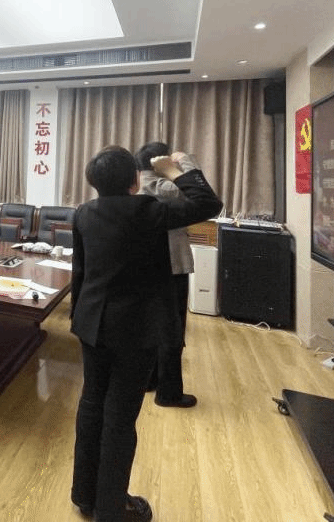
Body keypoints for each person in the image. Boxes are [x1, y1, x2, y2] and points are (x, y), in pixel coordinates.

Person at [70, 146, 221, 522]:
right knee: (120, 416)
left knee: (91, 405)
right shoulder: (148, 210)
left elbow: (80, 272)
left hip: (92, 323)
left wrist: (80, 318)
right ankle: (111, 509)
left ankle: (84, 495)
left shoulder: (84, 213)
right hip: (135, 331)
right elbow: (209, 204)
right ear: (135, 181)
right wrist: (175, 171)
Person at [136, 141, 200, 409]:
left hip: (147, 267)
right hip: (171, 267)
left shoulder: (140, 187)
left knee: (151, 327)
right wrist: (184, 162)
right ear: (160, 163)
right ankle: (169, 393)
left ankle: (150, 380)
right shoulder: (166, 188)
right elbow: (202, 195)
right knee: (172, 332)